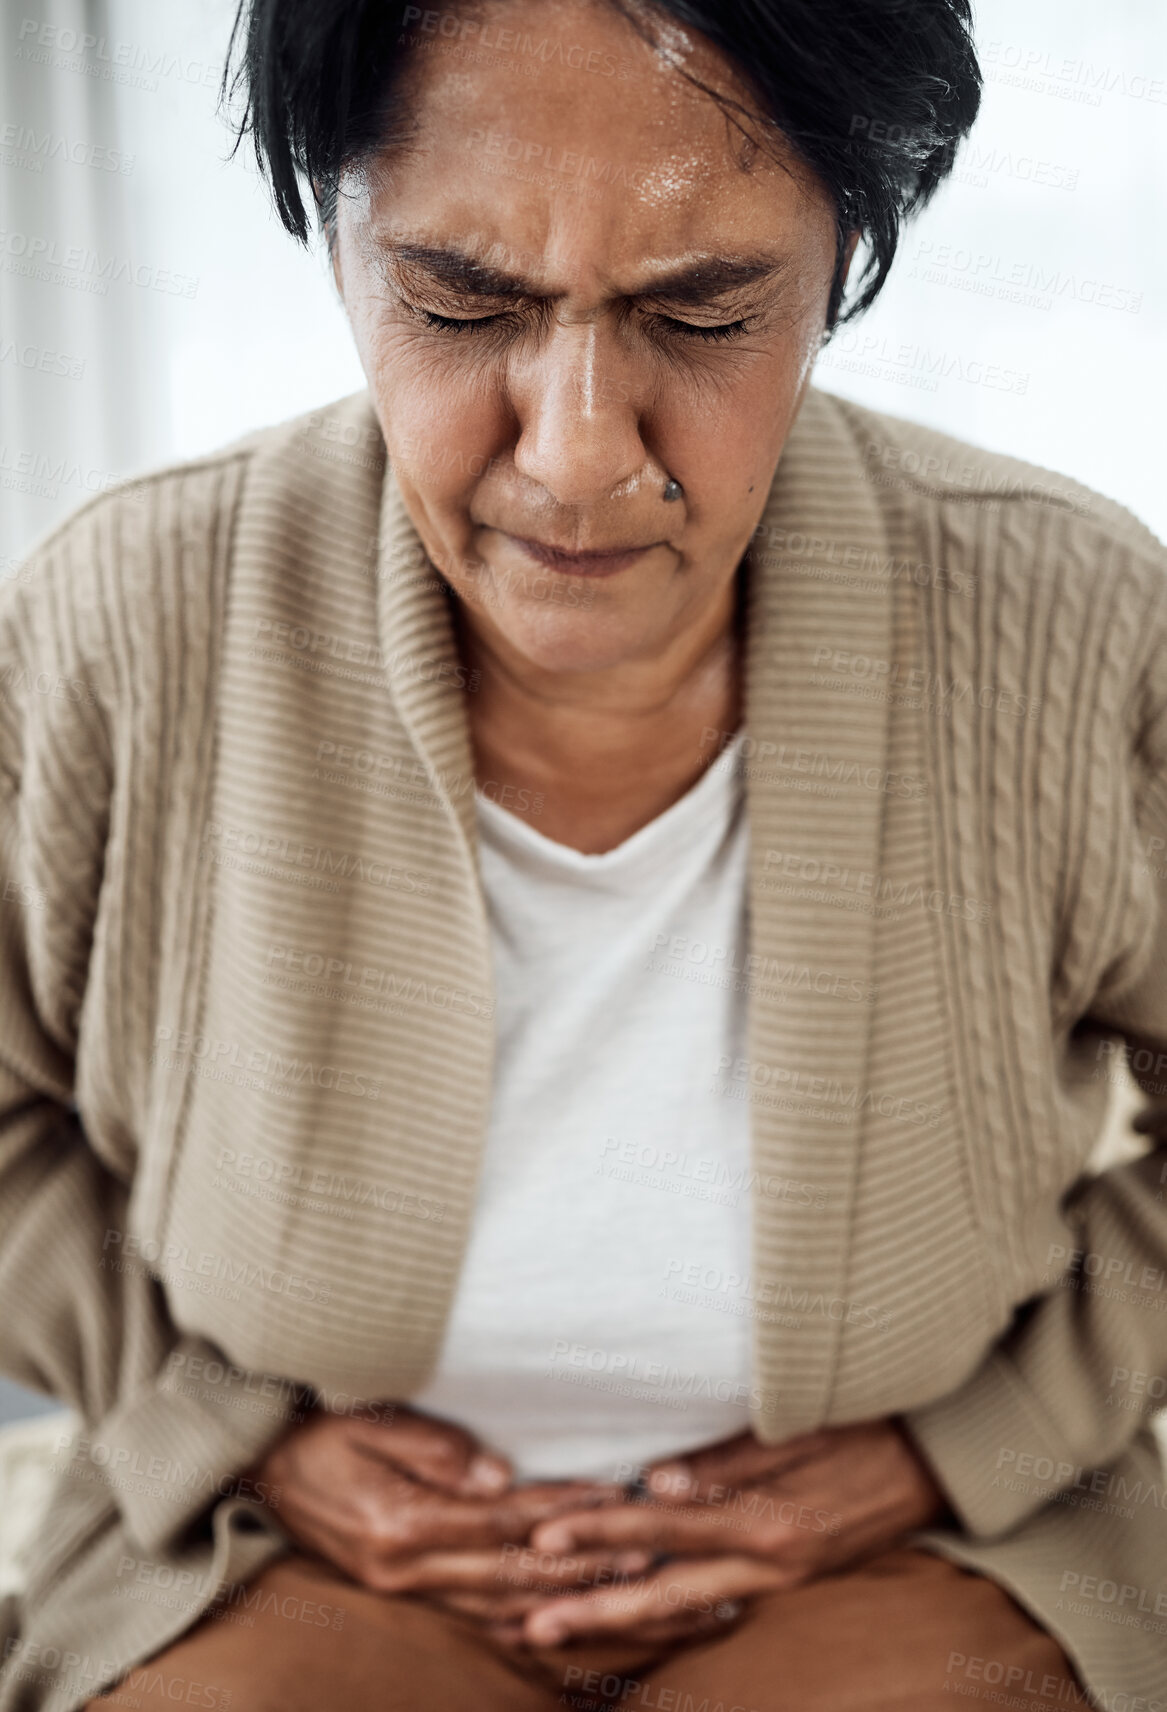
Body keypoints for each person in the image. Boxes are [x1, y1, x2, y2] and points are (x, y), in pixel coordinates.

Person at [0, 1, 1163, 1708]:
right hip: (276, 1555)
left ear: (850, 260)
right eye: (462, 304)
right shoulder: (122, 619)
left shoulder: (1073, 619)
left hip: (919, 1554)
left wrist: (974, 1446)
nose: (575, 452)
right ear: (336, 240)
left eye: (705, 312)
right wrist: (219, 1431)